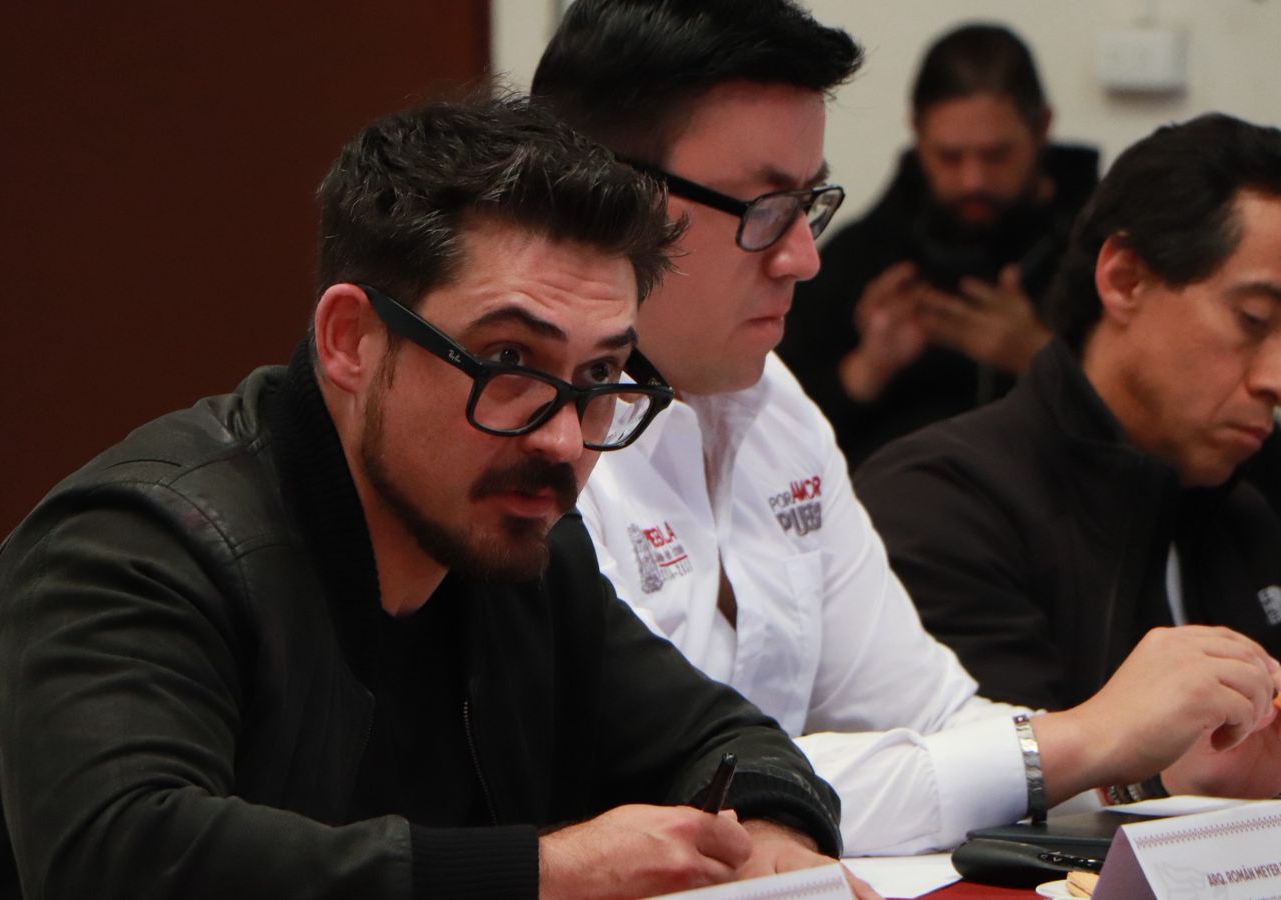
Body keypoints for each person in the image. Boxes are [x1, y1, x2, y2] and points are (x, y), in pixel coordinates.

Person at [0, 94, 861, 900]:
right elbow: (123, 856)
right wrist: (544, 872)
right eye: (508, 363)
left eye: (600, 377)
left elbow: (720, 742)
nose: (564, 440)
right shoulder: (139, 545)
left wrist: (773, 839)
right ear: (350, 341)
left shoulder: (522, 552)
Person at [532, 0, 1281, 857]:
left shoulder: (774, 407)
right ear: (609, 199)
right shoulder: (540, 442)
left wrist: (1143, 767)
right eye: (764, 208)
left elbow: (930, 715)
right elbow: (678, 794)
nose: (805, 257)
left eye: (808, 205)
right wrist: (1085, 740)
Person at [857, 115, 1281, 760]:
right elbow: (978, 786)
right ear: (1125, 279)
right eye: (1253, 319)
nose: (1275, 378)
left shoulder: (1247, 512)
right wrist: (1173, 775)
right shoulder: (940, 505)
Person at [780, 24, 1099, 466]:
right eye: (950, 156)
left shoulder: (1104, 253)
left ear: (1041, 127)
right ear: (917, 132)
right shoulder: (862, 256)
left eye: (996, 155)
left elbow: (1156, 420)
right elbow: (772, 438)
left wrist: (1040, 356)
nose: (973, 180)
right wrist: (867, 368)